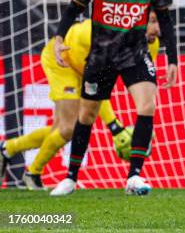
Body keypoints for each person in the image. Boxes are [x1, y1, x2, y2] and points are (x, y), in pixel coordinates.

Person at [49, 0, 178, 196]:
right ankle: (71, 177)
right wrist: (59, 39)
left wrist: (173, 59)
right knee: (87, 113)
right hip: (101, 55)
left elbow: (166, 20)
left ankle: (134, 177)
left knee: (147, 105)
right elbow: (73, 8)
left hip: (135, 53)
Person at [0, 13, 161, 190]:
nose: (157, 30)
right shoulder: (95, 34)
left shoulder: (150, 46)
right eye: (152, 22)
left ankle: (8, 149)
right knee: (68, 128)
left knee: (59, 129)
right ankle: (33, 173)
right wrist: (115, 127)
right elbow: (96, 86)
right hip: (62, 61)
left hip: (84, 67)